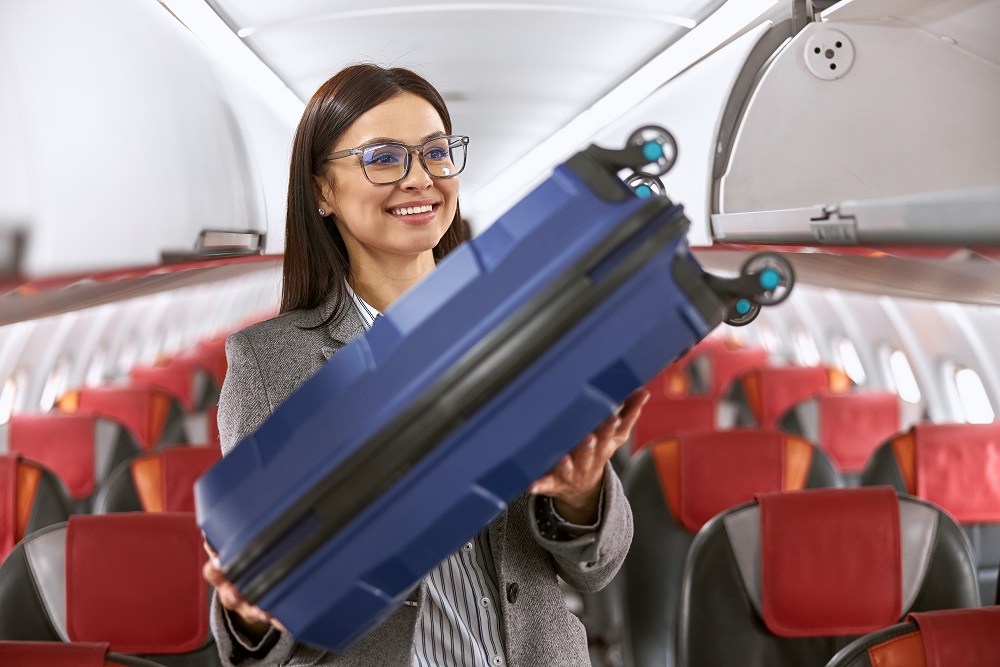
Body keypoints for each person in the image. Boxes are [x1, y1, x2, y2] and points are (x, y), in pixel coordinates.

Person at [202, 63, 648, 667]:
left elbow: (598, 568)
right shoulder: (270, 364)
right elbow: (261, 606)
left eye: (435, 153)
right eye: (383, 158)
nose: (419, 179)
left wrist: (582, 494)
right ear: (321, 191)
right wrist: (254, 612)